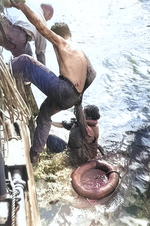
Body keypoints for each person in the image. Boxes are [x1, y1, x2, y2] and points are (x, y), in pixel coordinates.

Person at [10, 1, 97, 165]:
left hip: (63, 88)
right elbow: (92, 75)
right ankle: (35, 154)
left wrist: (21, 6)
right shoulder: (82, 53)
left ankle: (5, 76)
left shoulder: (63, 43)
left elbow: (41, 27)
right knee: (44, 114)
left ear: (59, 35)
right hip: (73, 97)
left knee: (24, 60)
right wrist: (79, 99)